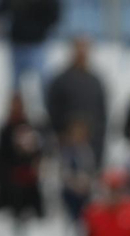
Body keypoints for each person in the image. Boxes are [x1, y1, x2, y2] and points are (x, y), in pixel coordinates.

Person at [46, 37, 108, 167]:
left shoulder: (95, 82)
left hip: (91, 146)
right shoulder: (61, 80)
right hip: (66, 146)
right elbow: (52, 110)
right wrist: (62, 134)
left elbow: (101, 114)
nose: (82, 53)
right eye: (79, 49)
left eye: (84, 49)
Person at [0, 93, 46, 226]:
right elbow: (0, 157)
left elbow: (36, 153)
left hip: (27, 174)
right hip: (10, 175)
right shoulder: (5, 129)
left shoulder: (28, 127)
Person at [0, 0, 61, 94]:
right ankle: (16, 106)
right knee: (15, 86)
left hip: (38, 44)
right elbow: (0, 10)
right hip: (17, 44)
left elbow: (55, 13)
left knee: (43, 82)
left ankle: (47, 106)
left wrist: (44, 27)